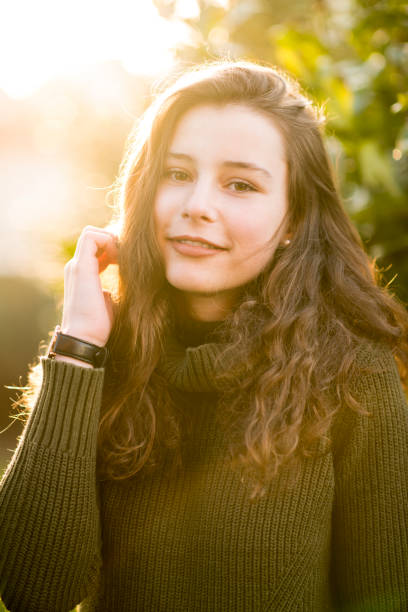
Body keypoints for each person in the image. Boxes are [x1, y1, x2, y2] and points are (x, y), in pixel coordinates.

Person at [1, 60, 407, 612]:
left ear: (293, 219)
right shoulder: (102, 352)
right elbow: (33, 591)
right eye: (177, 174)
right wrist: (77, 348)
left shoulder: (354, 371)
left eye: (240, 184)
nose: (197, 206)